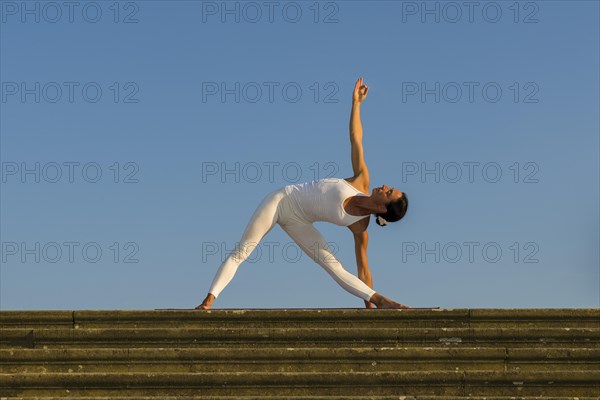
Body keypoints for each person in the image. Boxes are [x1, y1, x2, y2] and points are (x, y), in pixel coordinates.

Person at [196, 77, 412, 310]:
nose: (385, 186)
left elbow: (364, 269)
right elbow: (356, 139)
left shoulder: (360, 226)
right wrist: (356, 104)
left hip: (299, 223)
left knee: (333, 266)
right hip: (281, 201)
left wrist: (368, 308)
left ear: (383, 208)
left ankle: (380, 302)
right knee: (245, 249)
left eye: (388, 192)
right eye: (389, 188)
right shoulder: (361, 181)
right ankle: (208, 301)